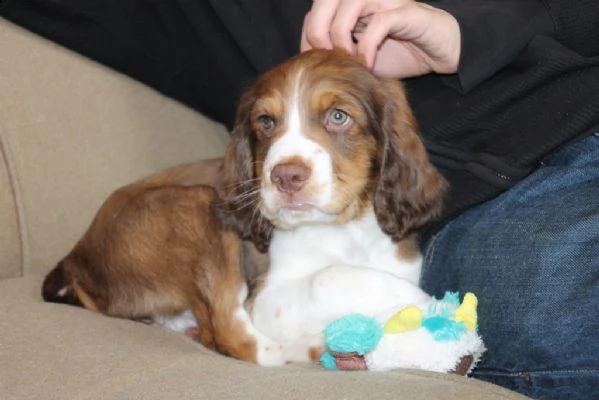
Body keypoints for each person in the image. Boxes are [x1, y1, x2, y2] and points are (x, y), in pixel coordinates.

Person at [1, 1, 597, 398]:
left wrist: (471, 26)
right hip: (132, 257)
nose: (290, 161)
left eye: (336, 116)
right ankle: (237, 336)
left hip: (562, 119)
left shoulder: (394, 186)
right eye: (268, 125)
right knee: (200, 210)